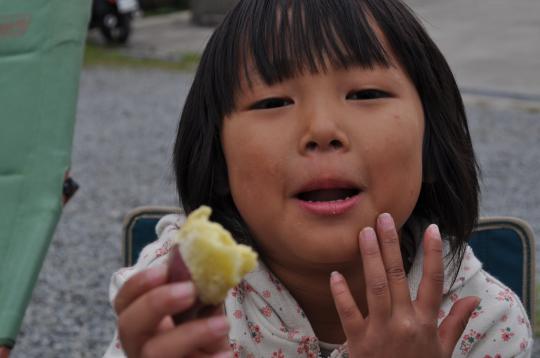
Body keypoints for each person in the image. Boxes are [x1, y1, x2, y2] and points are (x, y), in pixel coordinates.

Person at [104, 0, 533, 357]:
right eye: (272, 101)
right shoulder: (181, 305)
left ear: (432, 146)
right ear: (217, 161)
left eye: (366, 94)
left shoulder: (483, 322)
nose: (323, 130)